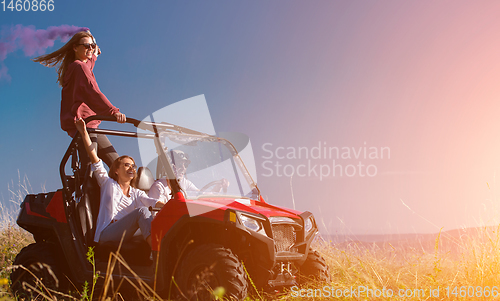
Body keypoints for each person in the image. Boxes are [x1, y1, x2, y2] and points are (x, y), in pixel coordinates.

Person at [33, 31, 126, 170]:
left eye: (92, 45)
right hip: (84, 124)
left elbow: (88, 65)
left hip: (90, 125)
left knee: (117, 166)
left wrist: (94, 54)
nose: (90, 48)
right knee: (92, 169)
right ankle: (90, 191)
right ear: (75, 47)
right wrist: (113, 112)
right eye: (86, 45)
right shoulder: (79, 67)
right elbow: (93, 92)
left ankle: (118, 191)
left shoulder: (79, 66)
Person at [75, 118, 165, 246]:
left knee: (159, 221)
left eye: (133, 166)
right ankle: (157, 253)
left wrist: (173, 207)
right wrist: (83, 132)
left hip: (129, 231)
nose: (131, 168)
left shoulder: (136, 193)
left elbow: (153, 202)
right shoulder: (108, 184)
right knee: (142, 211)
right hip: (107, 233)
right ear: (116, 170)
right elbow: (94, 157)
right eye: (127, 165)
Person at [149, 150, 229, 200]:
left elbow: (201, 195)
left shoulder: (185, 183)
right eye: (180, 165)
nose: (183, 168)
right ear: (170, 166)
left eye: (185, 165)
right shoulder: (158, 187)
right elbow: (157, 215)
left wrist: (218, 187)